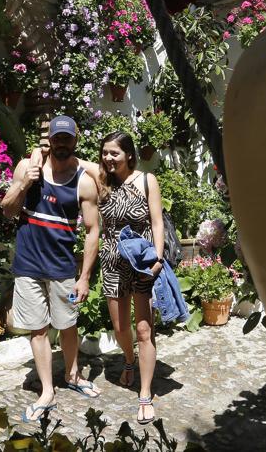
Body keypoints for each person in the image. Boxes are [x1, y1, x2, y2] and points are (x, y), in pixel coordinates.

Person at [0, 115, 102, 422]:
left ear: (75, 141)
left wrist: (84, 277)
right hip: (28, 267)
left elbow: (92, 231)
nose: (61, 144)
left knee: (68, 324)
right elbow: (7, 210)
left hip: (63, 270)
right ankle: (47, 391)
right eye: (57, 138)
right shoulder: (27, 167)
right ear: (49, 140)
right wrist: (24, 183)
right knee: (38, 329)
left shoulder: (83, 180)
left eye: (67, 139)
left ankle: (73, 375)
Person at [95, 131, 165, 425]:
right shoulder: (101, 181)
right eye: (105, 152)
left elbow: (157, 222)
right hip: (112, 261)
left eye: (115, 153)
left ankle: (145, 393)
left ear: (129, 155)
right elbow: (73, 161)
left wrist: (158, 258)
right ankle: (128, 359)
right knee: (120, 327)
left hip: (142, 262)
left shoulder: (147, 181)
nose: (108, 158)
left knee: (144, 330)